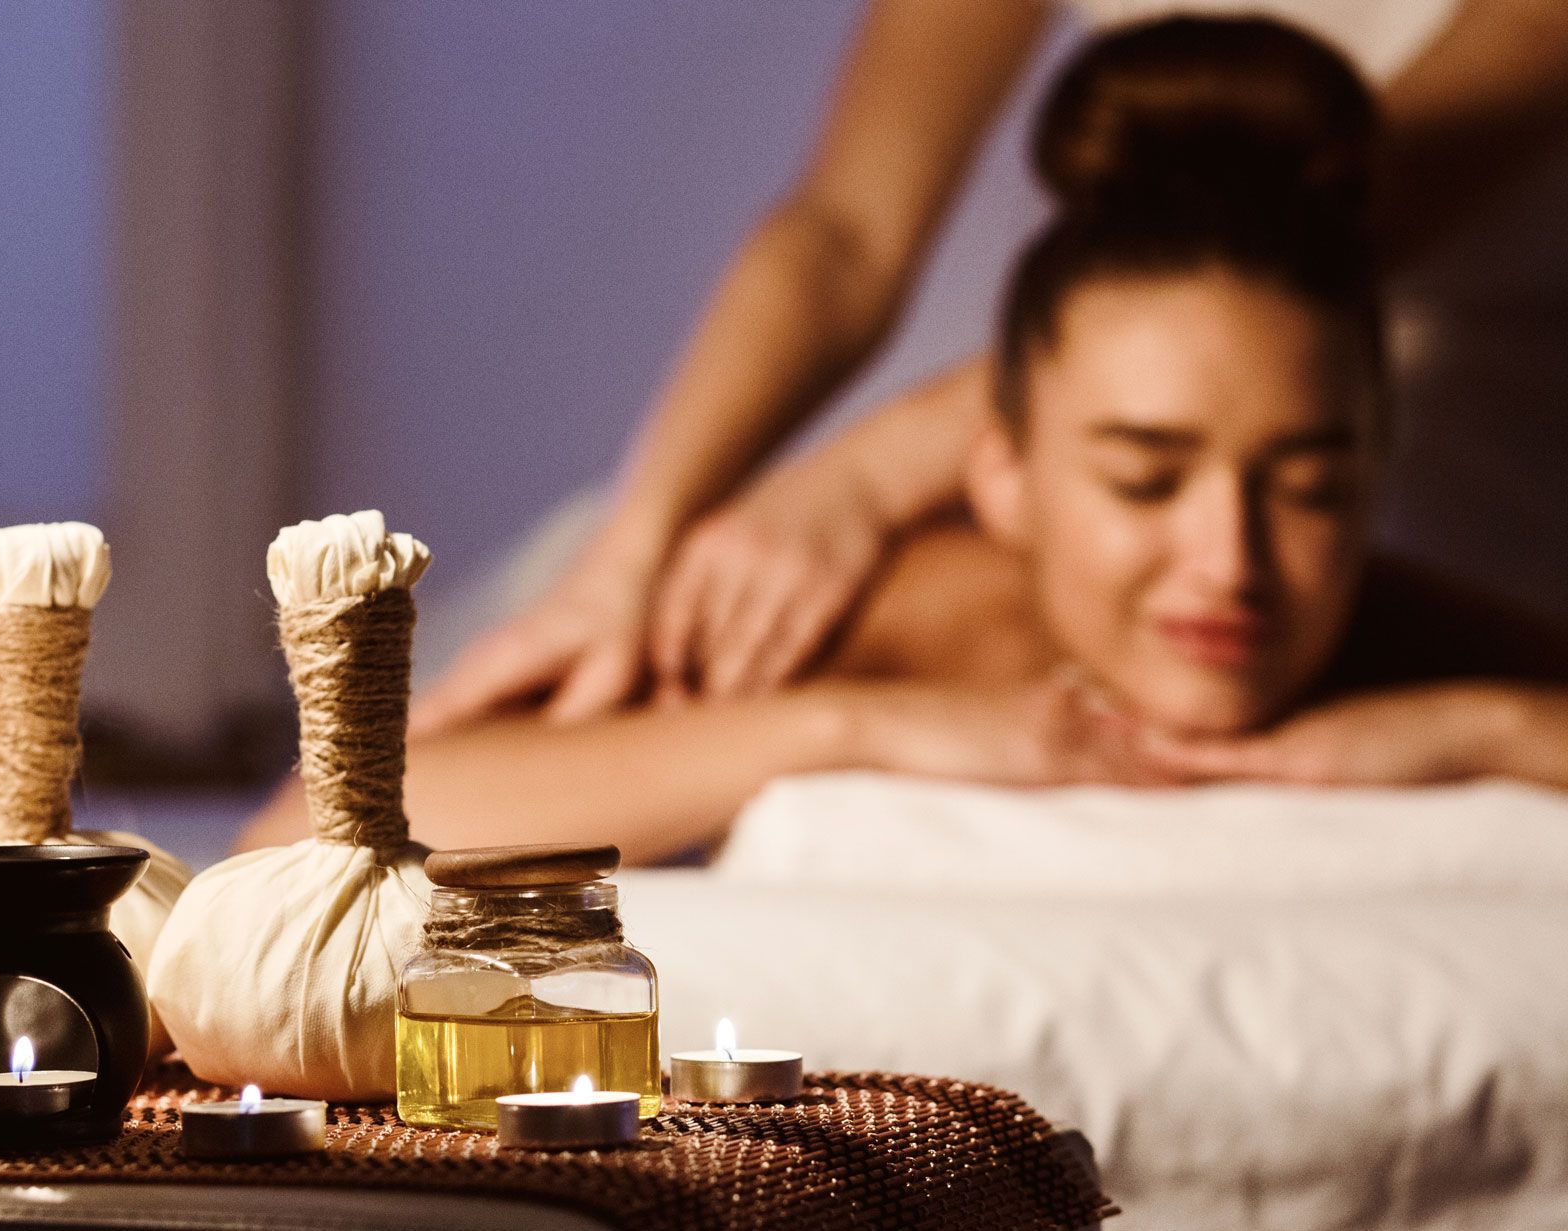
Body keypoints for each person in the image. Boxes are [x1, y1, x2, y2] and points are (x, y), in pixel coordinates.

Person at [239, 16, 1568, 863]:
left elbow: (1263, 282)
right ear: (1008, 470)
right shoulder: (865, 610)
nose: (1229, 561)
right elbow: (311, 835)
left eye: (1312, 484)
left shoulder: (1368, 619)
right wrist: (840, 717)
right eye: (1144, 477)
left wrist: (1481, 729)